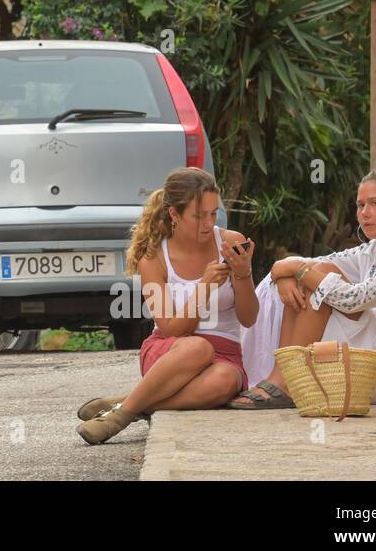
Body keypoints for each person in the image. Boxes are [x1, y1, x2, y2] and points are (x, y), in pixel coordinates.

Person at [228, 164, 376, 408]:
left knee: (316, 281)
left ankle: (285, 382)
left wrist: (297, 271)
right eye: (361, 205)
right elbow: (318, 263)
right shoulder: (375, 250)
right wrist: (284, 270)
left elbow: (355, 299)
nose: (365, 213)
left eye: (375, 204)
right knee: (317, 275)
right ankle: (284, 377)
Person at [76, 166, 258, 444]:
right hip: (171, 350)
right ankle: (119, 418)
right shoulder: (152, 259)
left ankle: (136, 401)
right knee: (198, 347)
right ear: (174, 213)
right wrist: (205, 286)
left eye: (213, 214)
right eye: (198, 216)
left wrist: (243, 274)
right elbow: (173, 327)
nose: (208, 224)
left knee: (225, 382)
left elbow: (249, 318)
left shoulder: (231, 242)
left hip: (225, 353)